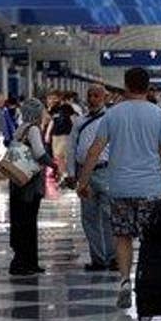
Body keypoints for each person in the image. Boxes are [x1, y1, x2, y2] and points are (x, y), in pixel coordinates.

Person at [76, 67, 161, 310]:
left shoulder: (112, 115)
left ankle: (125, 281)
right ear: (148, 87)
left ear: (125, 85)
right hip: (151, 189)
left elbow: (94, 150)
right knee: (149, 238)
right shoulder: (160, 115)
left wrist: (83, 182)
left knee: (122, 236)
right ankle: (147, 281)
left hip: (120, 187)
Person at [67, 85, 116, 272]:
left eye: (97, 95)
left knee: (109, 217)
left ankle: (112, 257)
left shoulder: (111, 119)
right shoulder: (80, 121)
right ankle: (98, 258)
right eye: (90, 95)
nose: (93, 99)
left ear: (104, 97)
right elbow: (71, 148)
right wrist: (71, 173)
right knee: (89, 218)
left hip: (106, 172)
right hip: (84, 175)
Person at [8, 99, 56, 276]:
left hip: (18, 179)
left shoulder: (21, 127)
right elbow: (39, 153)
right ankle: (24, 262)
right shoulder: (33, 129)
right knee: (28, 221)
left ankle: (27, 261)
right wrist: (53, 165)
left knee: (22, 220)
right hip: (30, 182)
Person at [45, 90, 76, 180]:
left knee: (62, 155)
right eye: (51, 98)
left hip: (65, 135)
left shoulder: (67, 107)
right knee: (57, 156)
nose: (53, 100)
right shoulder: (54, 109)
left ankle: (66, 174)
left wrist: (75, 132)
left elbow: (73, 119)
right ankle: (62, 174)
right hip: (55, 136)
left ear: (59, 98)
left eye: (55, 98)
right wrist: (47, 134)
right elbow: (51, 121)